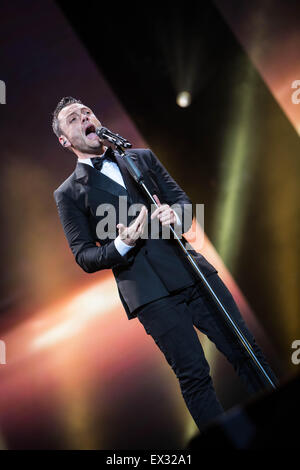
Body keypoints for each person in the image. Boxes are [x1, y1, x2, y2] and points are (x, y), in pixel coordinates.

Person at [52, 96, 278, 431]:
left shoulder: (139, 158)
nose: (84, 116)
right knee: (196, 377)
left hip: (192, 271)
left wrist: (178, 214)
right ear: (64, 140)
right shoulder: (68, 193)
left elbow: (183, 203)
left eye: (87, 111)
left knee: (246, 350)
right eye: (73, 118)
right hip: (151, 294)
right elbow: (84, 255)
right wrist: (121, 243)